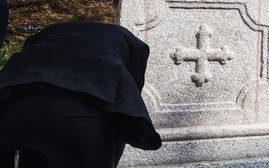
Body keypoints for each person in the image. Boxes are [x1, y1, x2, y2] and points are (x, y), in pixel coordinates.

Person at [0, 21, 161, 168]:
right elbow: (127, 105)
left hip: (12, 109)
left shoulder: (46, 34)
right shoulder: (132, 43)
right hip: (80, 119)